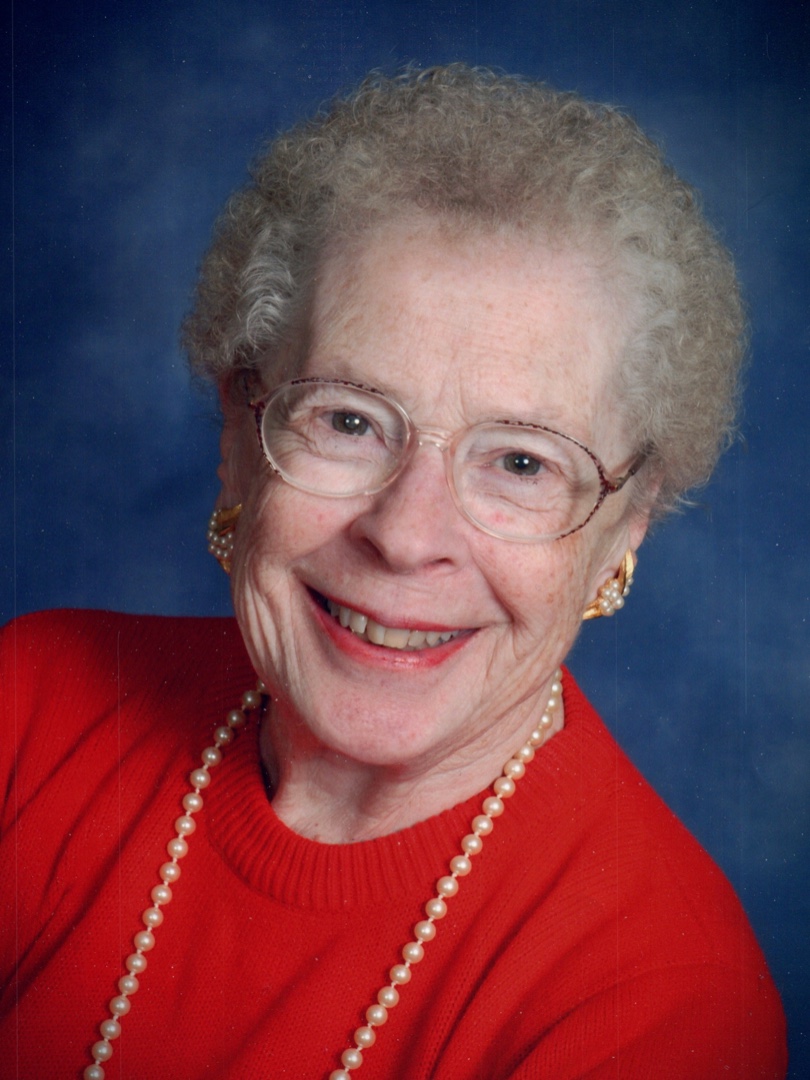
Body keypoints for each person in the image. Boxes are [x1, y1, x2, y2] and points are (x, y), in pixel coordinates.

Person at [0, 65, 787, 1079]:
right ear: (241, 434)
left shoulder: (659, 1003)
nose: (408, 536)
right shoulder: (33, 708)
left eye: (521, 463)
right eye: (349, 419)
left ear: (623, 527)